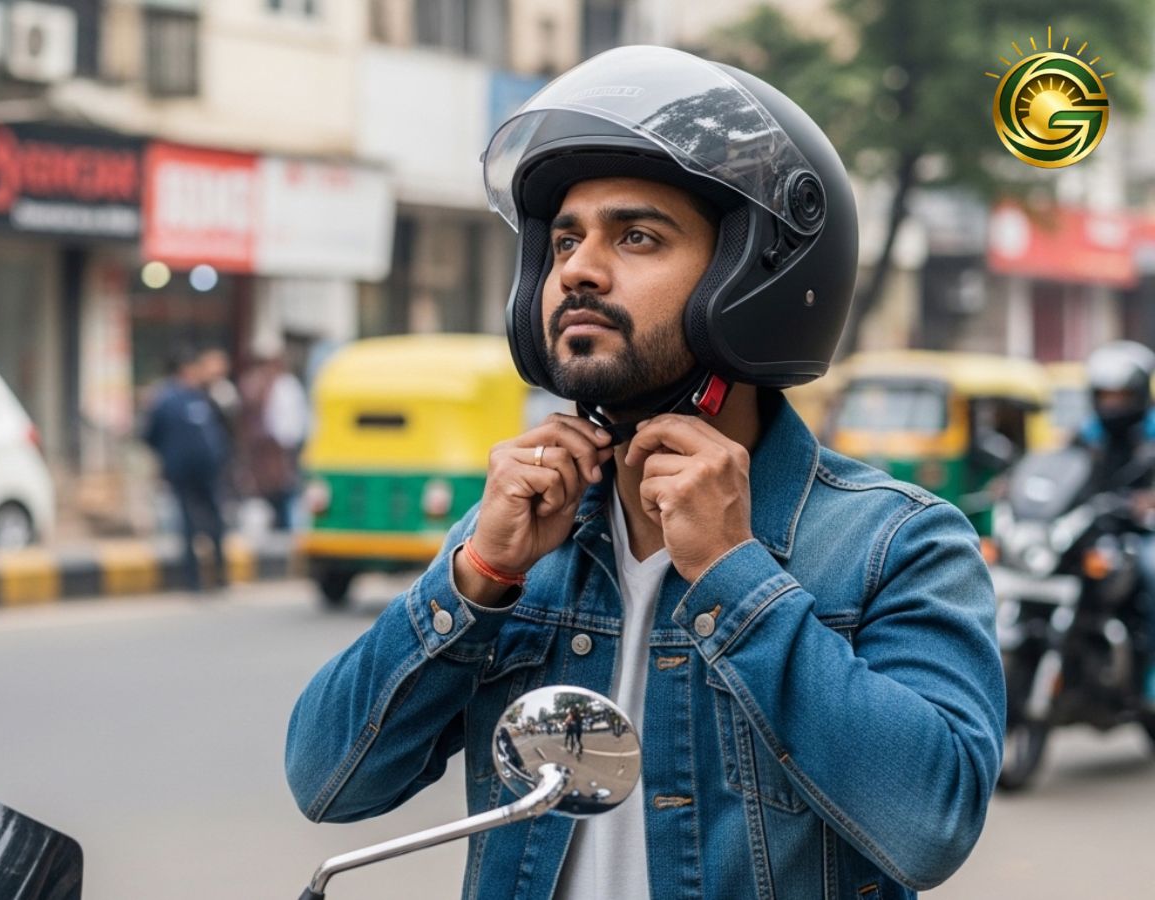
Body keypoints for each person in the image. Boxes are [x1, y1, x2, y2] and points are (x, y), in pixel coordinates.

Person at [285, 46, 1002, 899]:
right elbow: (329, 781)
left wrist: (735, 575)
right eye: (563, 242)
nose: (579, 269)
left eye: (636, 236)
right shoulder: (519, 547)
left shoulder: (893, 543)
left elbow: (931, 825)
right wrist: (478, 575)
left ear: (754, 279)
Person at [1074, 340, 1155, 704]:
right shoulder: (1087, 435)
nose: (1112, 404)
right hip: (1096, 531)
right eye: (1104, 395)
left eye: (1120, 396)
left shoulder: (1151, 434)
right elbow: (1061, 470)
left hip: (1141, 533)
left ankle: (1151, 671)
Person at [142, 346, 231, 592]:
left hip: (206, 470)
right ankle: (195, 581)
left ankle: (219, 576)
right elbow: (150, 435)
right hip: (183, 470)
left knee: (213, 521)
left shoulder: (204, 396)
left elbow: (223, 430)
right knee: (190, 523)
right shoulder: (167, 399)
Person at [239, 354, 309, 530]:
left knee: (286, 489)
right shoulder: (259, 384)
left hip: (282, 447)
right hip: (267, 448)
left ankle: (288, 525)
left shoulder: (285, 385)